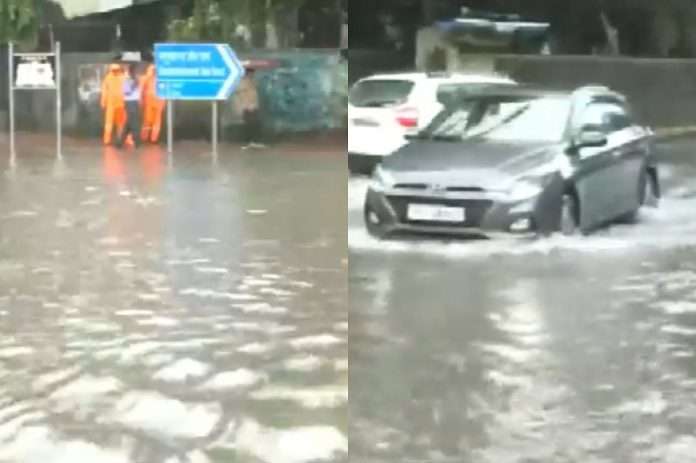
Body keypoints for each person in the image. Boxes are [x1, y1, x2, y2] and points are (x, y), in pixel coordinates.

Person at [235, 67, 265, 149]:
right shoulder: (242, 83)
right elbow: (241, 95)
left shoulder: (252, 81)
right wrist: (246, 105)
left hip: (254, 106)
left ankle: (254, 142)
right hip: (247, 107)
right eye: (251, 73)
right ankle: (248, 142)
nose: (253, 75)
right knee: (249, 125)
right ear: (247, 73)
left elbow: (254, 93)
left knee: (255, 125)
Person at [101, 64, 126, 146]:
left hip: (120, 104)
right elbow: (104, 91)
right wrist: (103, 101)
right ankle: (107, 140)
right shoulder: (108, 78)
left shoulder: (123, 77)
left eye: (116, 70)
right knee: (109, 123)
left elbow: (127, 90)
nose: (115, 71)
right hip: (112, 104)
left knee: (120, 123)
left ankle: (120, 139)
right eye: (114, 70)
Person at [140, 63, 165, 144]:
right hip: (149, 102)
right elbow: (141, 89)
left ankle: (154, 139)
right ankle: (144, 137)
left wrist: (164, 103)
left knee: (157, 121)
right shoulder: (145, 78)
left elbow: (165, 91)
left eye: (155, 70)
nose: (154, 72)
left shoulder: (161, 79)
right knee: (147, 120)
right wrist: (141, 100)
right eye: (153, 70)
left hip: (158, 102)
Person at [120, 66, 141, 148]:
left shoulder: (135, 80)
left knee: (129, 123)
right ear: (130, 72)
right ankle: (137, 142)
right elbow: (127, 92)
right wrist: (134, 85)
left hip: (135, 102)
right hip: (130, 102)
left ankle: (120, 142)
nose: (135, 74)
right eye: (134, 72)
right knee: (134, 122)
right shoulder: (127, 81)